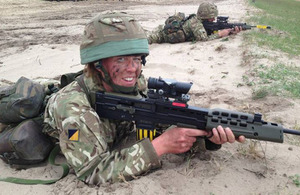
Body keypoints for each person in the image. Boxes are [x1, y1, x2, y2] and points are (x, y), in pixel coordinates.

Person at [43, 11, 245, 186]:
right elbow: (92, 172)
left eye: (137, 59)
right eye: (121, 59)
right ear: (97, 64)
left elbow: (159, 122)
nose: (132, 68)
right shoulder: (73, 109)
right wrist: (161, 146)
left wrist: (206, 135)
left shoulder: (133, 83)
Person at [147, 2, 242, 44]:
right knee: (143, 39)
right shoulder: (195, 23)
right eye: (211, 17)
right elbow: (204, 39)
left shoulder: (200, 21)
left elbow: (207, 32)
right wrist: (221, 34)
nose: (213, 19)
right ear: (205, 15)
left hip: (161, 32)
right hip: (159, 35)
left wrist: (230, 31)